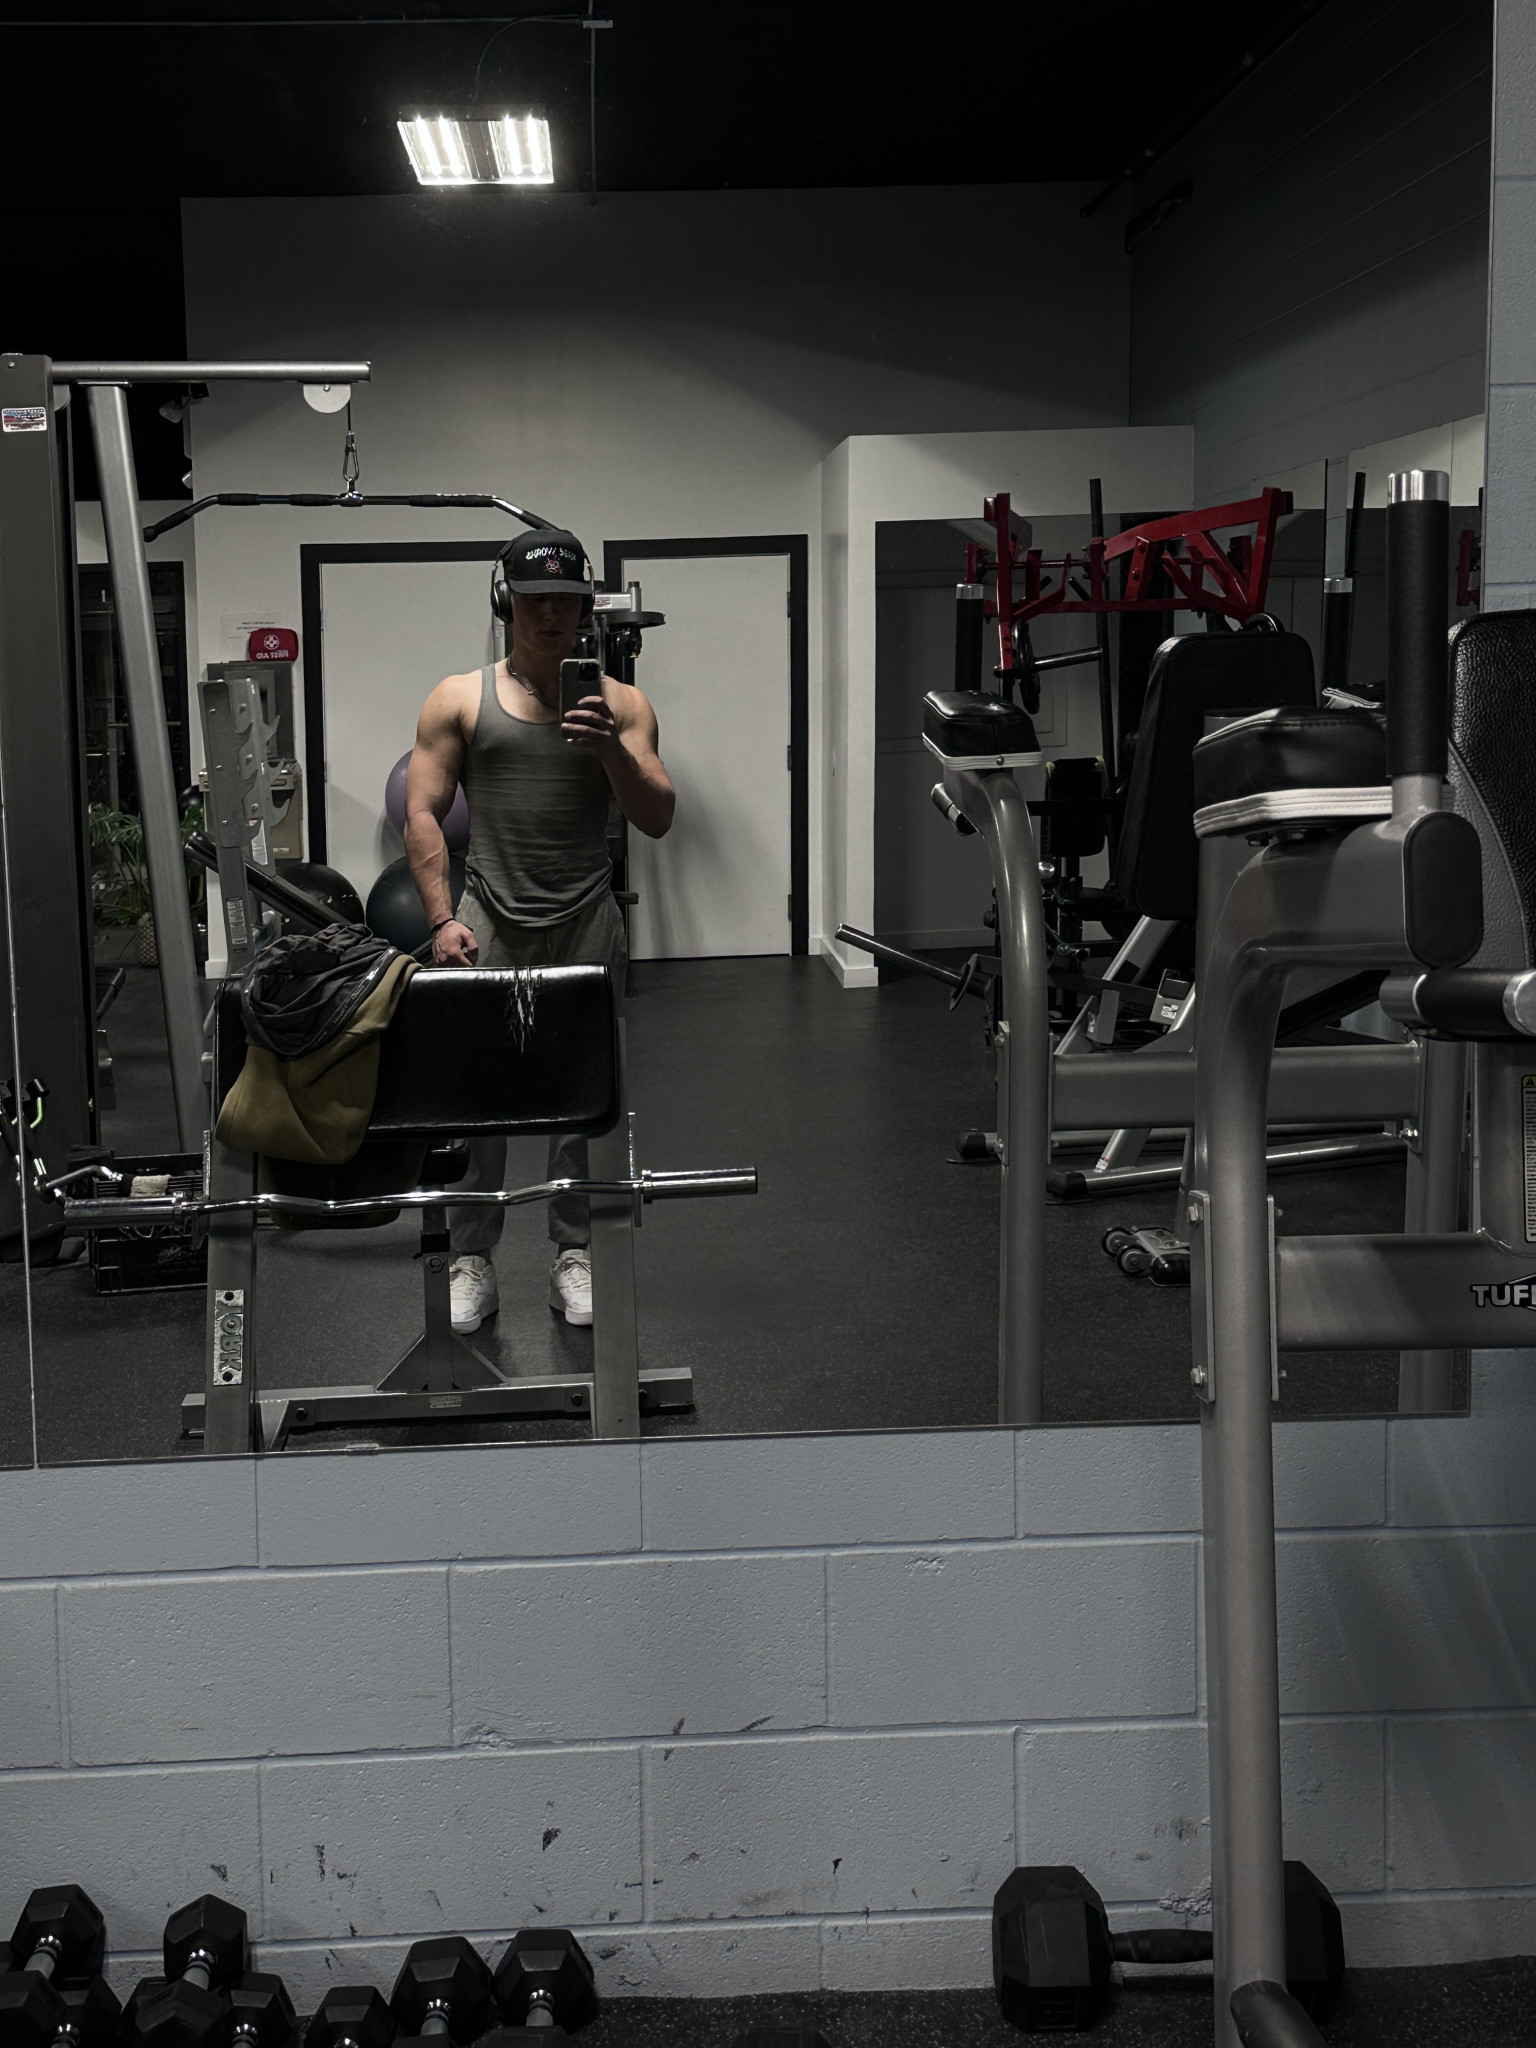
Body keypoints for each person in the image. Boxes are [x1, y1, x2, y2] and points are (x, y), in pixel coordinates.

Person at [404, 527, 675, 1331]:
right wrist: (441, 918)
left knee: (585, 1099)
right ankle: (472, 1259)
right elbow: (421, 810)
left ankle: (573, 1254)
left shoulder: (621, 705)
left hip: (587, 917)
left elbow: (657, 815)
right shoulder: (459, 698)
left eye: (566, 600)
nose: (552, 614)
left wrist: (611, 752)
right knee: (476, 1097)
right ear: (506, 603)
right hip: (488, 918)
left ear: (585, 607)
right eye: (535, 600)